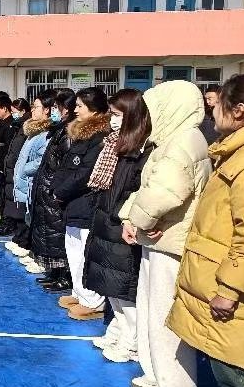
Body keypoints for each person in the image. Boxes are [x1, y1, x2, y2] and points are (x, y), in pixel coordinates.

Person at [120, 80, 212, 387]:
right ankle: (157, 374)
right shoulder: (174, 141)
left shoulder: (182, 143)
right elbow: (149, 188)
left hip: (170, 242)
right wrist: (130, 216)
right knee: (151, 310)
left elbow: (165, 192)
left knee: (164, 317)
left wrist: (137, 220)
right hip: (159, 239)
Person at [168, 74, 244, 387]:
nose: (211, 113)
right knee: (225, 366)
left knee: (238, 375)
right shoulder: (233, 153)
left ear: (239, 110)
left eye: (216, 106)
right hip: (217, 275)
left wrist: (229, 288)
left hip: (232, 288)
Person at [84, 89, 153, 362]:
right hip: (106, 220)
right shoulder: (116, 145)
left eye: (116, 115)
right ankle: (119, 330)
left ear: (132, 116)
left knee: (123, 287)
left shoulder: (139, 151)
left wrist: (123, 217)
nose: (112, 120)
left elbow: (133, 190)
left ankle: (131, 341)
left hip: (120, 225)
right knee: (110, 285)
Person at [52, 87, 110, 320]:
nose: (75, 110)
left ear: (94, 109)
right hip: (72, 202)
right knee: (74, 251)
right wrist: (58, 188)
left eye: (79, 106)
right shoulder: (81, 133)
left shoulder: (99, 137)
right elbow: (68, 166)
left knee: (86, 253)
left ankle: (93, 301)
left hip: (86, 202)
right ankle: (79, 292)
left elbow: (85, 173)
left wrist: (61, 191)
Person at [31, 88, 76, 289]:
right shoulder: (58, 129)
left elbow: (65, 166)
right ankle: (55, 272)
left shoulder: (68, 133)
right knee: (49, 233)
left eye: (57, 107)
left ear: (66, 109)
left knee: (57, 234)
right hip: (47, 187)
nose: (53, 111)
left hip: (55, 190)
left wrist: (56, 188)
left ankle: (65, 276)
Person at [9, 90, 55, 264]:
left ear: (47, 110)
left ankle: (32, 249)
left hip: (32, 181)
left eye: (36, 107)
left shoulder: (45, 133)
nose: (33, 110)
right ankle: (27, 245)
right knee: (27, 215)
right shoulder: (34, 131)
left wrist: (25, 169)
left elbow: (40, 160)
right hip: (25, 181)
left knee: (35, 218)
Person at [0, 98, 31, 237]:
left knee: (15, 199)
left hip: (17, 168)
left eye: (15, 111)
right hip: (11, 166)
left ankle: (16, 228)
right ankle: (11, 225)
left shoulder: (26, 126)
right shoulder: (18, 125)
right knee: (9, 196)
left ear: (22, 111)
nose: (13, 114)